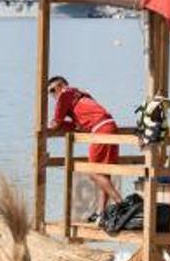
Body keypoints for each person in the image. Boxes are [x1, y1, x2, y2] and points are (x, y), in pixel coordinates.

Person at [47, 76, 123, 212]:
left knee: (93, 172)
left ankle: (120, 203)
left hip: (100, 130)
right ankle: (101, 212)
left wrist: (51, 124)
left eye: (52, 90)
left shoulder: (65, 94)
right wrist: (63, 124)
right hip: (110, 126)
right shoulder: (80, 96)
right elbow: (78, 126)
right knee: (103, 174)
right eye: (50, 92)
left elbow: (55, 123)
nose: (52, 95)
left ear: (61, 85)